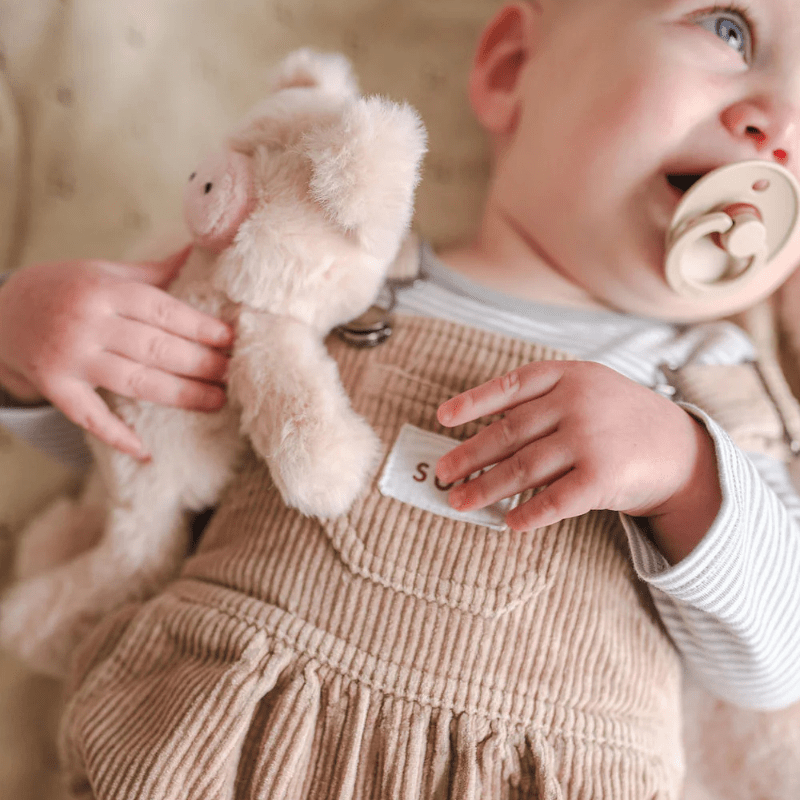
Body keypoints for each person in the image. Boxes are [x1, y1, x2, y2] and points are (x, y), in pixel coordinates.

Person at [2, 0, 800, 796]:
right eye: (729, 30)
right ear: (511, 69)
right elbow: (152, 447)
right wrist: (34, 344)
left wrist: (684, 473)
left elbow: (773, 661)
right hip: (224, 742)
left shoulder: (719, 383)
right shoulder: (329, 270)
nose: (781, 124)